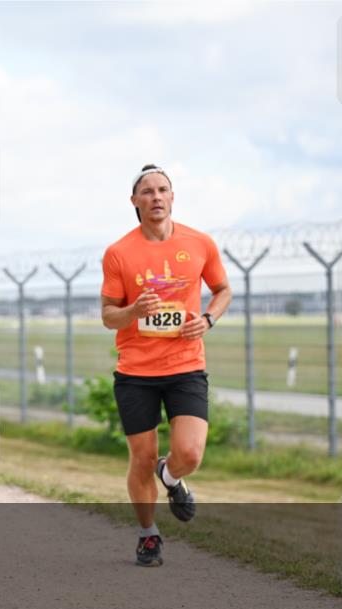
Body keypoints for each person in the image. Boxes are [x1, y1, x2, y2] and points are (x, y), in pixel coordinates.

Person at [100, 164, 232, 567]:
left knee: (189, 453)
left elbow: (223, 290)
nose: (156, 197)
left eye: (163, 190)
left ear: (172, 197)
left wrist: (207, 319)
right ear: (135, 201)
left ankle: (172, 476)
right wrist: (134, 310)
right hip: (136, 372)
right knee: (140, 459)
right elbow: (108, 315)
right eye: (147, 191)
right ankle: (148, 534)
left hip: (186, 366)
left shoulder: (199, 243)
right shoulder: (120, 252)